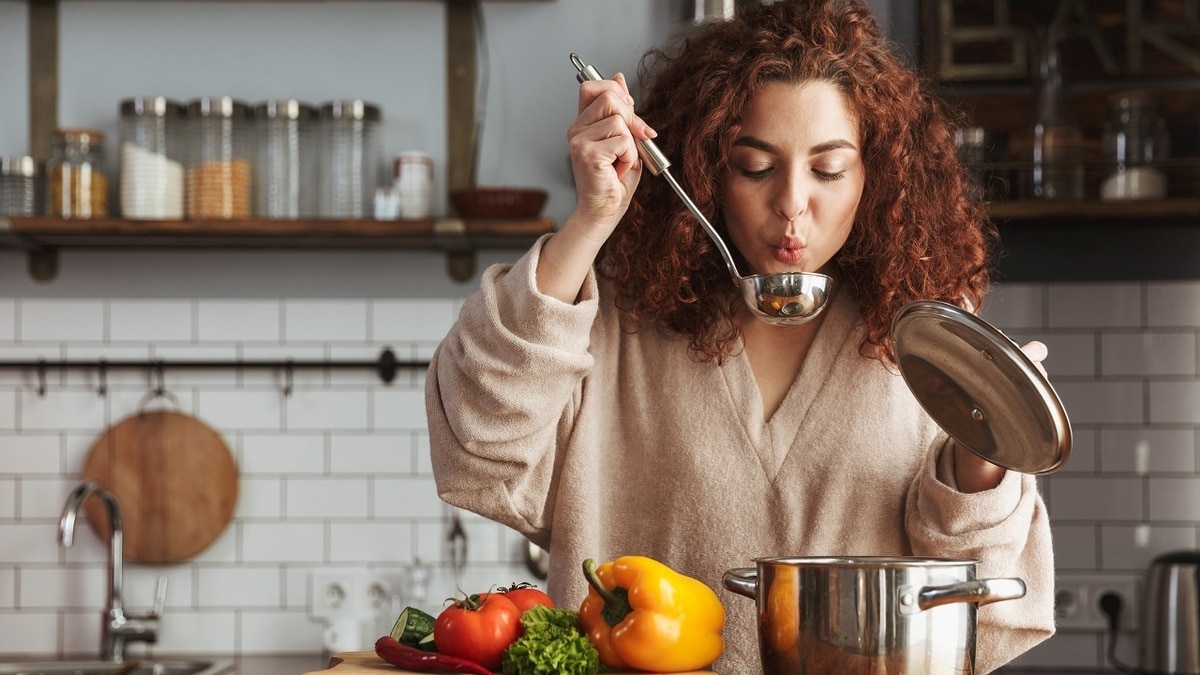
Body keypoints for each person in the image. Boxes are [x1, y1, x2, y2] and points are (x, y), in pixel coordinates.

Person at [426, 1, 1056, 672]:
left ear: (877, 178)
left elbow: (977, 604)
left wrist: (983, 453)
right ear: (705, 171)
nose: (791, 201)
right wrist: (590, 220)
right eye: (755, 167)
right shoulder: (614, 324)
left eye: (829, 169)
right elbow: (480, 449)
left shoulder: (930, 341)